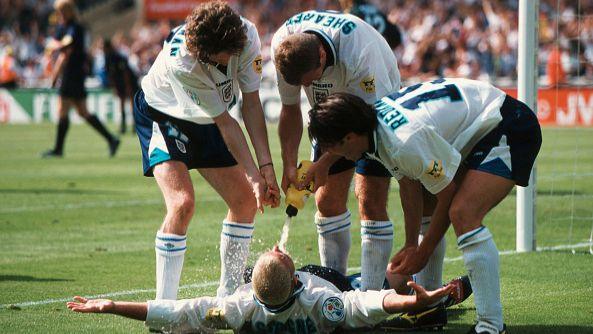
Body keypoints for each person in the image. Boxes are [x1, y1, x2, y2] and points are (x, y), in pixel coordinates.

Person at [308, 78, 543, 334]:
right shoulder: (372, 128)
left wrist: (423, 250)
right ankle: (427, 311)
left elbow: (448, 193)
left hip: (507, 124)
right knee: (430, 200)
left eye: (332, 147)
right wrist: (412, 244)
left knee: (463, 213)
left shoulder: (402, 141)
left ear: (350, 137)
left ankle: (491, 326)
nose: (335, 154)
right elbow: (409, 184)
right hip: (480, 125)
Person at [133, 1, 280, 301]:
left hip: (209, 118)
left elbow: (250, 103)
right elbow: (226, 123)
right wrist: (253, 176)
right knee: (182, 204)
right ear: (204, 54)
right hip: (165, 113)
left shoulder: (247, 35)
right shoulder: (183, 63)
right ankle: (165, 310)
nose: (230, 64)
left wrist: (266, 167)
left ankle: (228, 296)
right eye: (223, 60)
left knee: (244, 203)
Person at [271, 9, 401, 293]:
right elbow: (290, 109)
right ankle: (335, 287)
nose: (306, 87)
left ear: (321, 56)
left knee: (369, 199)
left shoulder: (359, 52)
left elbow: (367, 121)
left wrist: (325, 162)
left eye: (310, 80)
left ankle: (371, 298)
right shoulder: (283, 45)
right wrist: (290, 165)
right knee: (326, 202)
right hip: (331, 113)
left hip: (375, 110)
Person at [67, 245, 454, 333]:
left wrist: (113, 305)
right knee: (380, 280)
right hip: (334, 288)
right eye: (282, 256)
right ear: (296, 277)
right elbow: (363, 304)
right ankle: (427, 302)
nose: (278, 249)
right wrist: (406, 298)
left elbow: (178, 312)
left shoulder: (239, 308)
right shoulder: (318, 298)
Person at [42, 0, 120, 158]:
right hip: (75, 74)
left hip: (73, 73)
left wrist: (55, 75)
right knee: (83, 112)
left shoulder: (74, 28)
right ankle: (111, 139)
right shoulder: (66, 27)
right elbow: (57, 46)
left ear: (67, 12)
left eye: (60, 12)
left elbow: (64, 51)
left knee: (63, 110)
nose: (58, 15)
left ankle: (58, 149)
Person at [103, 38, 139, 134]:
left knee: (132, 104)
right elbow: (110, 74)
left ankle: (135, 127)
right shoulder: (107, 57)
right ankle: (123, 127)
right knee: (122, 104)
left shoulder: (118, 57)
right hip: (119, 83)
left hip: (130, 82)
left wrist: (128, 87)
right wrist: (115, 87)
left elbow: (126, 73)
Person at [338, 0, 402, 49]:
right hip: (380, 56)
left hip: (363, 59)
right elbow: (396, 37)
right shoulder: (376, 10)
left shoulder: (352, 13)